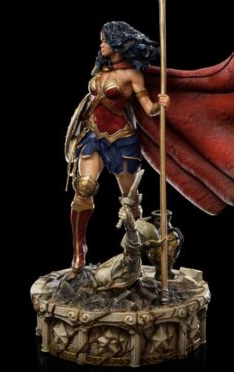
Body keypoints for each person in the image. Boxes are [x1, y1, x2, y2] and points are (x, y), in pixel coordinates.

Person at [65, 21, 170, 275]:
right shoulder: (100, 70)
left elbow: (148, 108)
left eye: (105, 39)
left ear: (118, 43)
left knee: (129, 200)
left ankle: (135, 253)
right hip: (94, 136)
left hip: (122, 141)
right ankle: (79, 251)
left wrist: (161, 104)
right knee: (84, 187)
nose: (101, 44)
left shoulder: (132, 75)